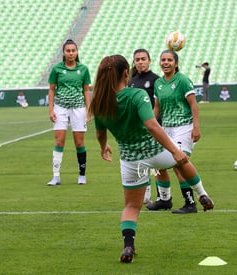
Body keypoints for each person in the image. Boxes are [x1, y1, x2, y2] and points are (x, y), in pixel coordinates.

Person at [89, 55, 214, 263]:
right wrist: (174, 150)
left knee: (131, 207)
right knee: (183, 162)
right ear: (126, 73)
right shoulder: (137, 95)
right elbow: (152, 125)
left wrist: (103, 148)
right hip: (156, 152)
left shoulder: (100, 103)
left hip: (131, 161)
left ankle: (128, 246)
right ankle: (202, 194)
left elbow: (100, 134)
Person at [150, 50, 207, 214]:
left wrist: (196, 127)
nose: (166, 63)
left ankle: (191, 203)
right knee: (158, 163)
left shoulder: (182, 80)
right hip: (166, 128)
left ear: (175, 63)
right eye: (163, 60)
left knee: (178, 163)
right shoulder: (158, 83)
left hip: (184, 126)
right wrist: (150, 125)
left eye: (169, 60)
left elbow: (193, 105)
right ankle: (164, 200)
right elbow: (157, 108)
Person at [47, 39, 91, 186]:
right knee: (59, 141)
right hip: (60, 107)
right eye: (68, 51)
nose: (71, 53)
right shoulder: (56, 69)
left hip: (78, 108)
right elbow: (52, 89)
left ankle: (82, 175)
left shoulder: (83, 69)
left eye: (73, 50)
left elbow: (86, 90)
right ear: (64, 53)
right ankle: (56, 176)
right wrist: (51, 109)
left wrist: (88, 110)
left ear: (76, 52)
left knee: (79, 143)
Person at [129, 49, 160, 204]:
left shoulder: (156, 80)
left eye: (143, 59)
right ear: (134, 62)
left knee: (156, 162)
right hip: (137, 128)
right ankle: (146, 194)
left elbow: (159, 104)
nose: (140, 62)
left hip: (154, 126)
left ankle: (162, 194)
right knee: (142, 161)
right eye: (137, 59)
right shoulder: (132, 81)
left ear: (149, 60)